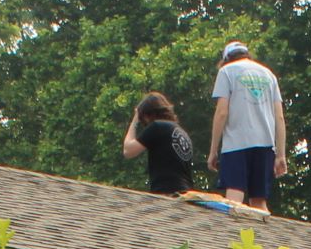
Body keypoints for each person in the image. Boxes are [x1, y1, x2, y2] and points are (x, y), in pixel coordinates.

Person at [208, 42, 288, 212]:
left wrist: (213, 150)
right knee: (259, 202)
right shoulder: (269, 75)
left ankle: (231, 236)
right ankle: (263, 238)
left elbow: (222, 112)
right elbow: (279, 117)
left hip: (236, 143)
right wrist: (280, 154)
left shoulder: (227, 71)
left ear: (226, 59)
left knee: (234, 199)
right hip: (265, 145)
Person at [122, 93, 195, 195]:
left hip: (166, 192)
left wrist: (135, 121)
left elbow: (128, 151)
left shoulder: (157, 126)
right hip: (186, 193)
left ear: (148, 115)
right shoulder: (183, 133)